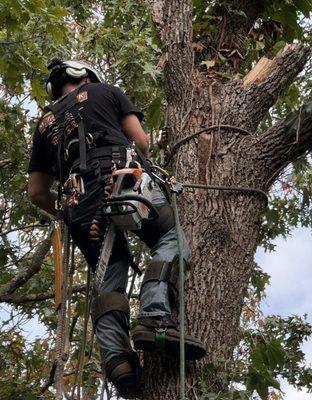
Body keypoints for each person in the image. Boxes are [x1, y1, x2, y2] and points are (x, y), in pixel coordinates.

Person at [27, 59, 205, 398]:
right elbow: (142, 143)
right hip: (120, 180)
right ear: (86, 76)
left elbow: (36, 193)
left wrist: (66, 212)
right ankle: (154, 318)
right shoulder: (106, 91)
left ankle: (118, 362)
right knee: (170, 237)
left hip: (78, 203)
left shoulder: (43, 126)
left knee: (109, 276)